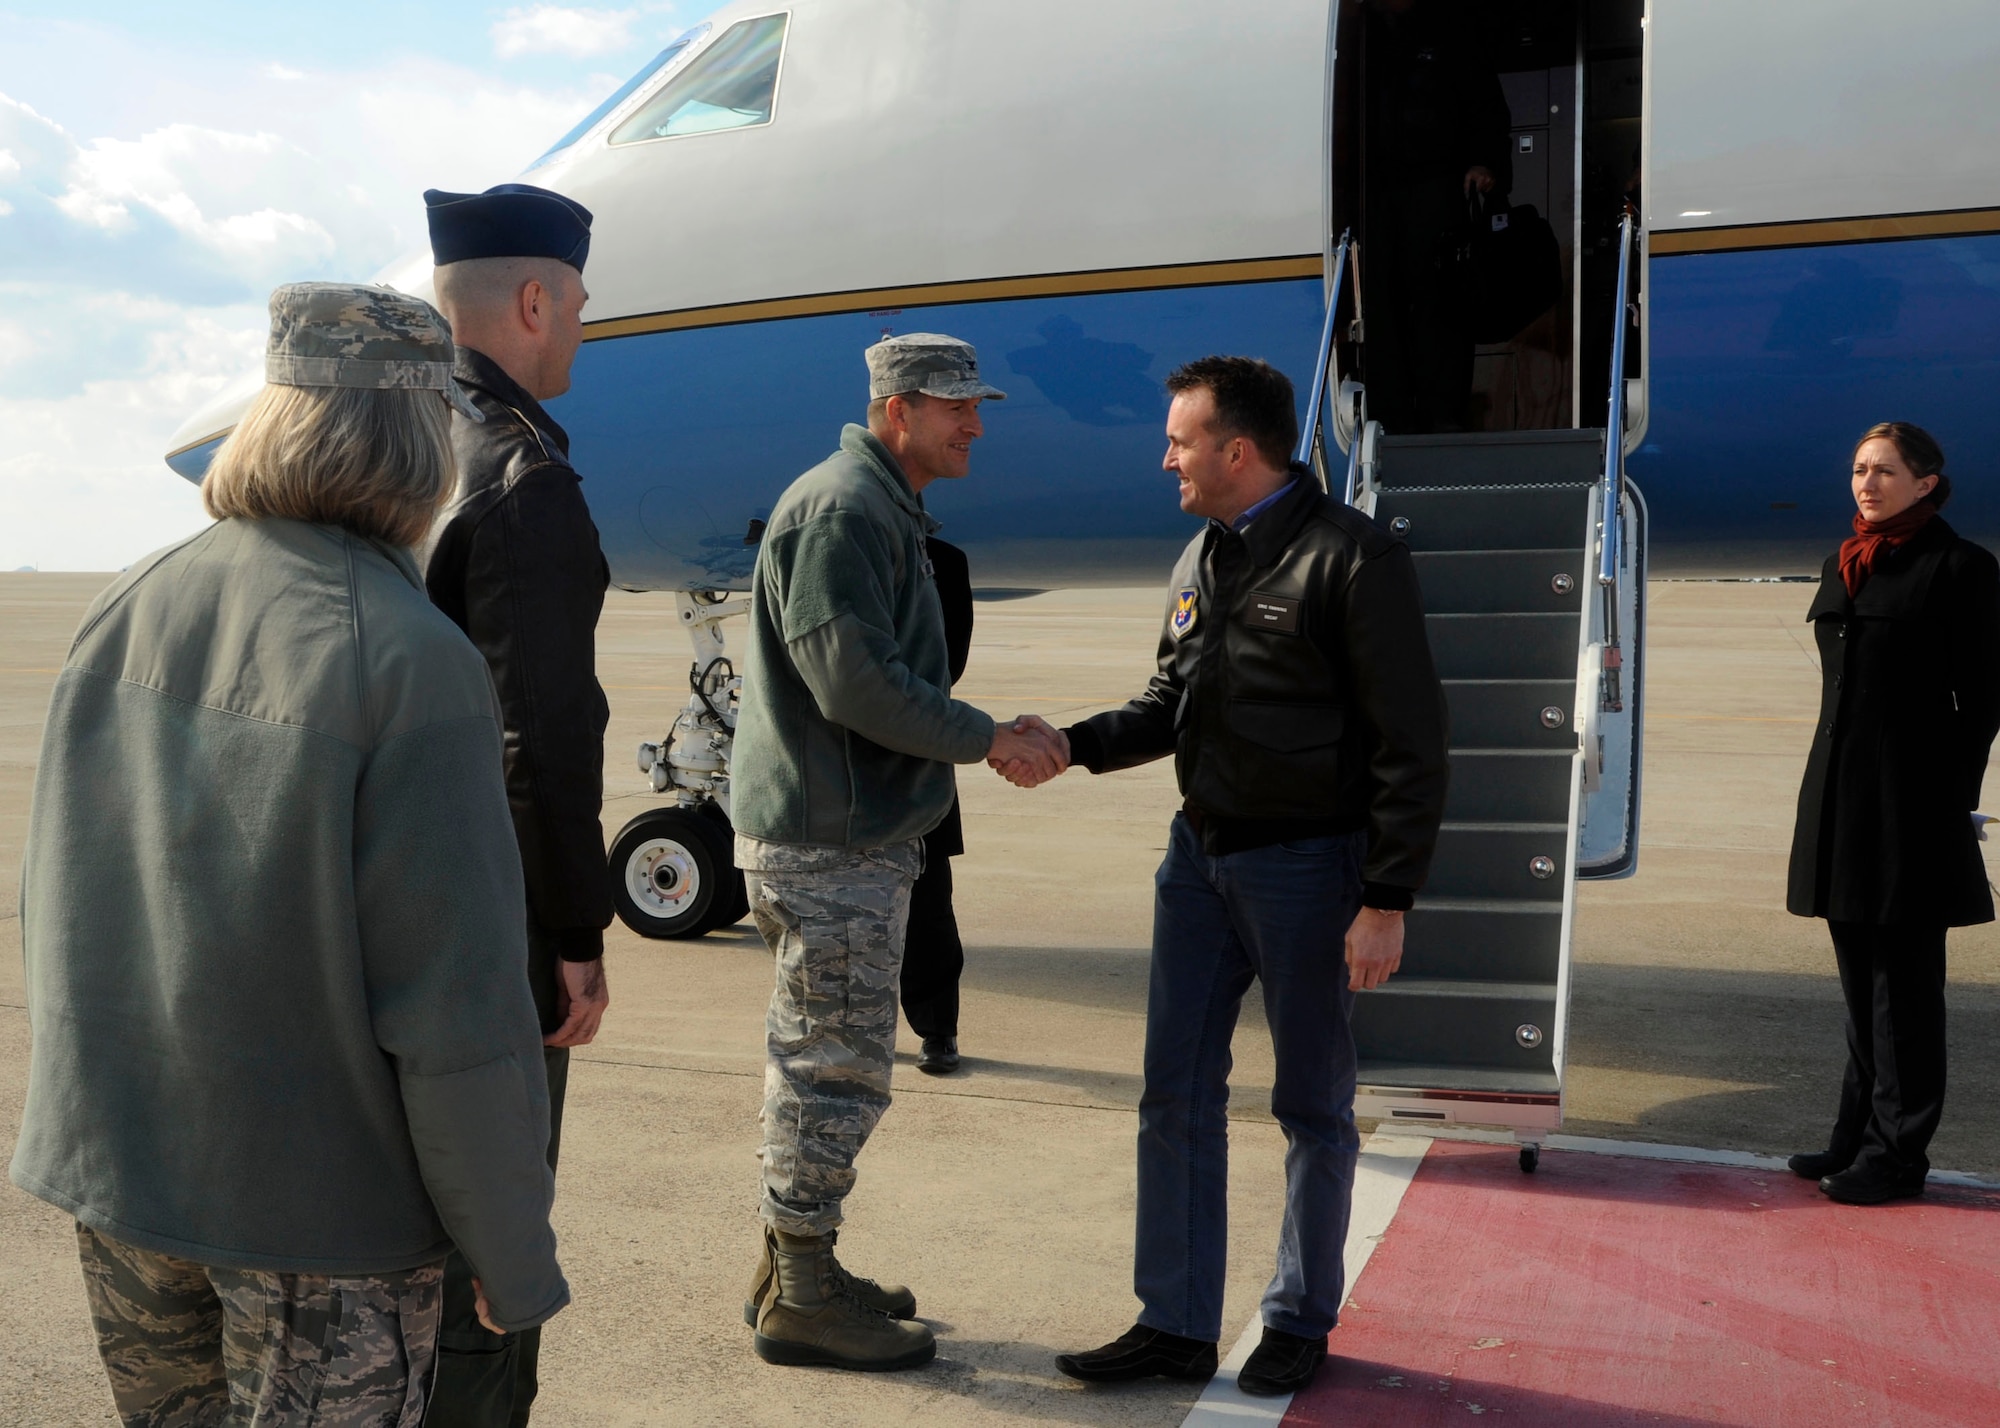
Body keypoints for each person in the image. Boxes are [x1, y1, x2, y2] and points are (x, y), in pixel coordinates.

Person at [9, 282, 568, 1426]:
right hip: (318, 1231)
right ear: (420, 438)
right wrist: (512, 1252)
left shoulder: (131, 600)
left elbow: (60, 901)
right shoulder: (410, 658)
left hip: (122, 1184)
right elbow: (456, 1016)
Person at [1013, 356, 1449, 1397]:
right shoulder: (1200, 557)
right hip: (1197, 862)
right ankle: (1174, 1323)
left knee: (1310, 1103)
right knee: (1172, 1091)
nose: (1165, 458)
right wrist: (1070, 744)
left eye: (1180, 441)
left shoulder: (1353, 560)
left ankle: (1298, 1317)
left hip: (1307, 867)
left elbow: (1412, 745)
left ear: (1236, 450)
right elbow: (1168, 703)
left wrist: (1386, 899)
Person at [731, 333, 1063, 1371]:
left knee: (821, 1061)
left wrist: (979, 732)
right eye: (953, 407)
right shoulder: (843, 510)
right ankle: (802, 1296)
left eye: (975, 406)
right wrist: (987, 738)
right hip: (830, 844)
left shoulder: (880, 506)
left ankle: (796, 1268)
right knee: (832, 1074)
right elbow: (854, 685)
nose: (973, 426)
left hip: (850, 832)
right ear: (896, 411)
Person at [419, 181, 611, 1426]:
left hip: (379, 900)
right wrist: (575, 937)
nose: (583, 327)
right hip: (489, 927)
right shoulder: (522, 475)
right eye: (579, 303)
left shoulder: (397, 445)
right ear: (533, 301)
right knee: (488, 1255)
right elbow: (538, 736)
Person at [1785, 422, 2000, 1205]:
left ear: (1926, 483)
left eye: (1884, 471)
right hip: (1840, 800)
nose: (1867, 483)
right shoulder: (1845, 562)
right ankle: (1855, 1136)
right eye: (1858, 469)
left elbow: (1983, 701)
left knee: (1902, 991)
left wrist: (1951, 799)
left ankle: (1898, 1156)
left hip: (1913, 806)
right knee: (1859, 986)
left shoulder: (1961, 568)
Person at [1362, 0, 1514, 433]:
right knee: (1379, 309)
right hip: (1373, 192)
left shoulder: (1450, 27)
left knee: (1441, 302)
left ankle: (1442, 416)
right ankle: (1389, 418)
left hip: (1438, 185)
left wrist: (1485, 162)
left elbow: (1485, 104)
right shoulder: (1361, 34)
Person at [902, 533, 973, 1074]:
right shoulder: (836, 549)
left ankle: (937, 1029)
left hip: (915, 754)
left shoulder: (942, 562)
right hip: (838, 761)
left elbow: (949, 663)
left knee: (928, 906)